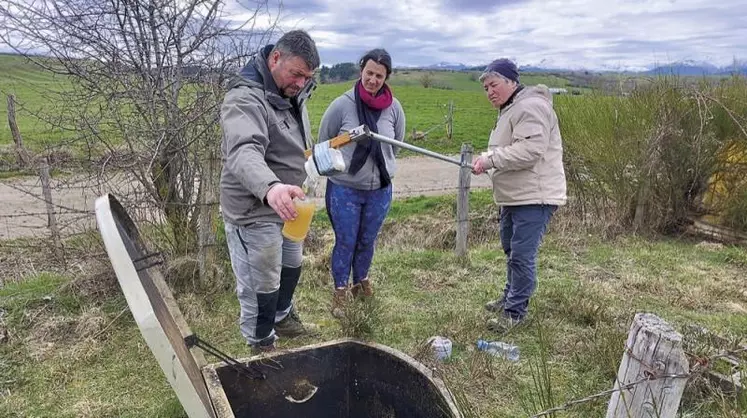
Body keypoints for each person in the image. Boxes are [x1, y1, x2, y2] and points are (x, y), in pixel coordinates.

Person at [219, 30, 320, 353]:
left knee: (291, 265)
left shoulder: (291, 91)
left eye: (308, 77)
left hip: (289, 203)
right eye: (297, 74)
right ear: (275, 58)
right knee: (260, 283)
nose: (302, 82)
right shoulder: (244, 99)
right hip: (255, 208)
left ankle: (282, 316)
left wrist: (318, 159)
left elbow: (293, 142)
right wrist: (271, 187)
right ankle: (260, 342)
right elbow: (243, 151)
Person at [471, 58, 567, 332]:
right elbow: (510, 150)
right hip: (516, 196)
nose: (489, 91)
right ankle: (509, 298)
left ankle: (515, 313)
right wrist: (490, 161)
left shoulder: (531, 106)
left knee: (522, 255)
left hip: (534, 197)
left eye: (494, 84)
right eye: (486, 87)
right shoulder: (510, 109)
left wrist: (490, 159)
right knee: (511, 250)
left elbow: (530, 151)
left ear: (511, 81)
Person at [317, 48, 406, 317]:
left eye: (379, 75)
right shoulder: (342, 105)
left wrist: (380, 169)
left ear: (386, 77)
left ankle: (361, 281)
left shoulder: (394, 108)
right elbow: (325, 140)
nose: (373, 79)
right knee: (346, 240)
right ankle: (340, 291)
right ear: (361, 72)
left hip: (379, 189)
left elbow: (395, 145)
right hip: (345, 189)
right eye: (369, 73)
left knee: (367, 240)